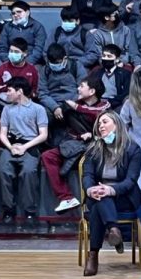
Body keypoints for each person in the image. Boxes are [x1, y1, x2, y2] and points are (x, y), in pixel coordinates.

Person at [80, 111, 141, 276]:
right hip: (97, 195)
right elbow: (87, 175)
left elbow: (131, 180)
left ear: (117, 125)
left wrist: (111, 189)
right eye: (99, 124)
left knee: (99, 205)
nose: (101, 126)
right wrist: (90, 189)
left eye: (105, 122)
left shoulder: (132, 149)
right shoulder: (93, 149)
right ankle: (114, 229)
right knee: (100, 200)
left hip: (124, 197)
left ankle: (93, 255)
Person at [40, 75, 110, 213]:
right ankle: (66, 197)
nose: (78, 88)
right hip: (73, 144)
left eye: (82, 86)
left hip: (96, 146)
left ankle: (94, 203)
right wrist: (57, 109)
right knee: (48, 156)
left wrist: (92, 134)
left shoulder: (104, 105)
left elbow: (98, 114)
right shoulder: (72, 105)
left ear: (92, 91)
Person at [0, 76, 48, 226]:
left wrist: (25, 147)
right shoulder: (6, 109)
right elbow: (2, 134)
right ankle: (8, 209)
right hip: (11, 145)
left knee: (29, 172)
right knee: (2, 170)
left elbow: (43, 135)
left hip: (30, 146)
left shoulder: (38, 109)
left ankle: (30, 211)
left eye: (9, 91)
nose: (7, 94)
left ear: (19, 91)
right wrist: (11, 147)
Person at [0, 1, 46, 66]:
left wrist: (25, 65)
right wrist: (9, 63)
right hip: (10, 63)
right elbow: (2, 49)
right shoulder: (7, 27)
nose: (16, 15)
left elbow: (39, 49)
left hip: (33, 64)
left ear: (27, 13)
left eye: (19, 12)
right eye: (13, 13)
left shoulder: (37, 27)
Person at [88, 43, 131, 110]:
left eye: (109, 56)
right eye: (104, 55)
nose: (105, 58)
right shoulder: (96, 72)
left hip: (116, 105)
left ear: (117, 59)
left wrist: (109, 102)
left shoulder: (125, 74)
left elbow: (126, 94)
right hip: (97, 104)